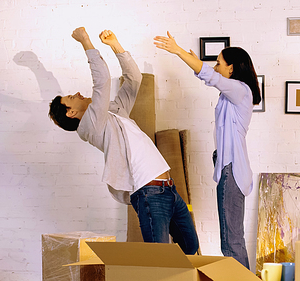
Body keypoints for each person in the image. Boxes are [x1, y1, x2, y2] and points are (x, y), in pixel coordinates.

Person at [48, 27, 199, 255]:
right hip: (149, 193)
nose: (77, 94)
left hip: (169, 189)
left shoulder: (115, 112)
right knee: (160, 258)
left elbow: (133, 80)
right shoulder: (90, 126)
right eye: (71, 97)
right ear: (70, 113)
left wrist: (115, 45)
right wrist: (85, 42)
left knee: (190, 246)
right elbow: (102, 81)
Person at [154, 31, 261, 268]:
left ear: (231, 68)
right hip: (227, 166)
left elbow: (209, 77)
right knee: (231, 238)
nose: (216, 67)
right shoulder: (230, 95)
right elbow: (208, 76)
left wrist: (178, 51)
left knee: (231, 241)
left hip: (232, 169)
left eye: (219, 63)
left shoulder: (240, 90)